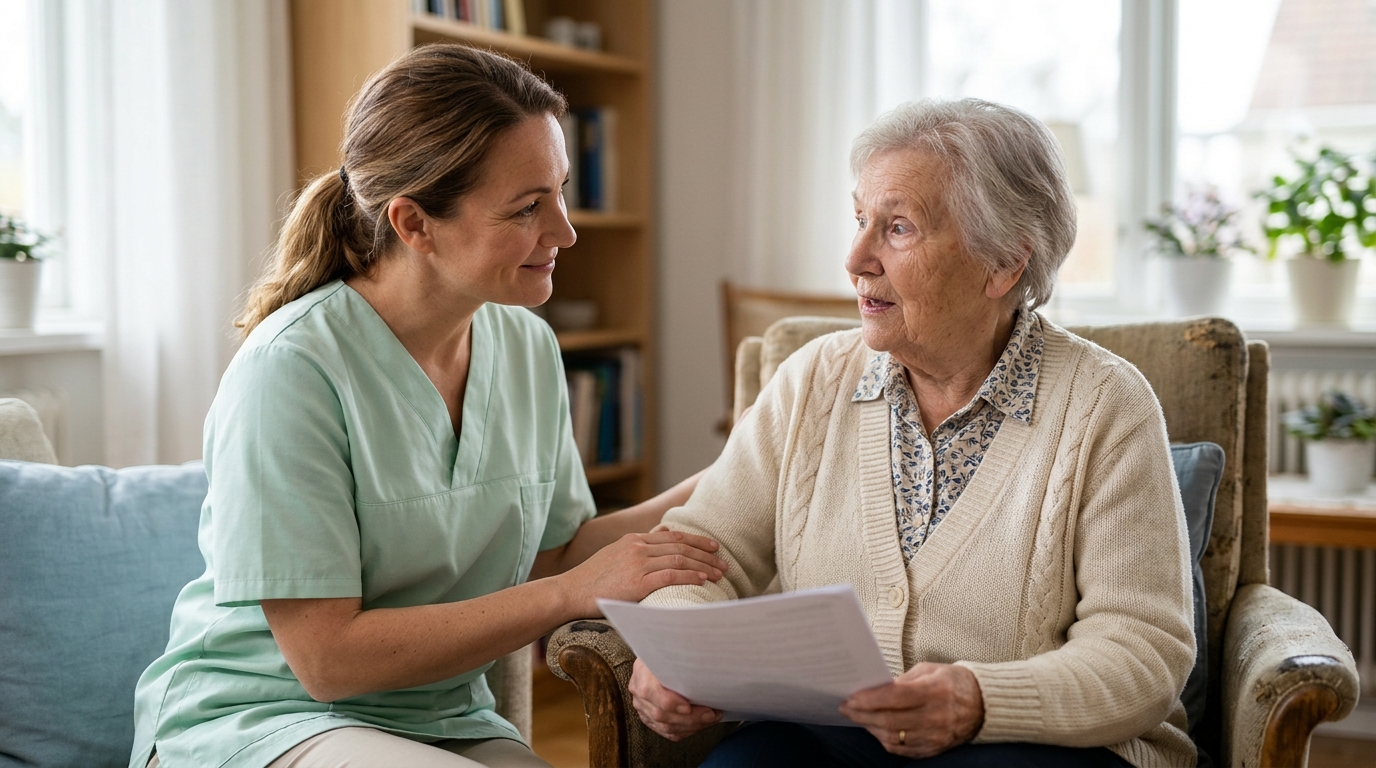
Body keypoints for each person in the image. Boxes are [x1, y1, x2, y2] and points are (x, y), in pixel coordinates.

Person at [128, 44, 727, 768]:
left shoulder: (525, 346)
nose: (564, 231)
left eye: (561, 192)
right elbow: (326, 661)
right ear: (414, 224)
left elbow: (558, 554)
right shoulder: (291, 370)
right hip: (263, 719)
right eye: (527, 208)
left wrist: (743, 469)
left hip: (441, 716)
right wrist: (573, 593)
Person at [627, 98, 1197, 768]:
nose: (856, 258)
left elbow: (1142, 648)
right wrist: (680, 650)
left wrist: (979, 699)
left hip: (1032, 745)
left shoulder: (1106, 404)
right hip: (829, 734)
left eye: (898, 228)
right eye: (860, 220)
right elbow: (698, 550)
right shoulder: (813, 379)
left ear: (1005, 264)